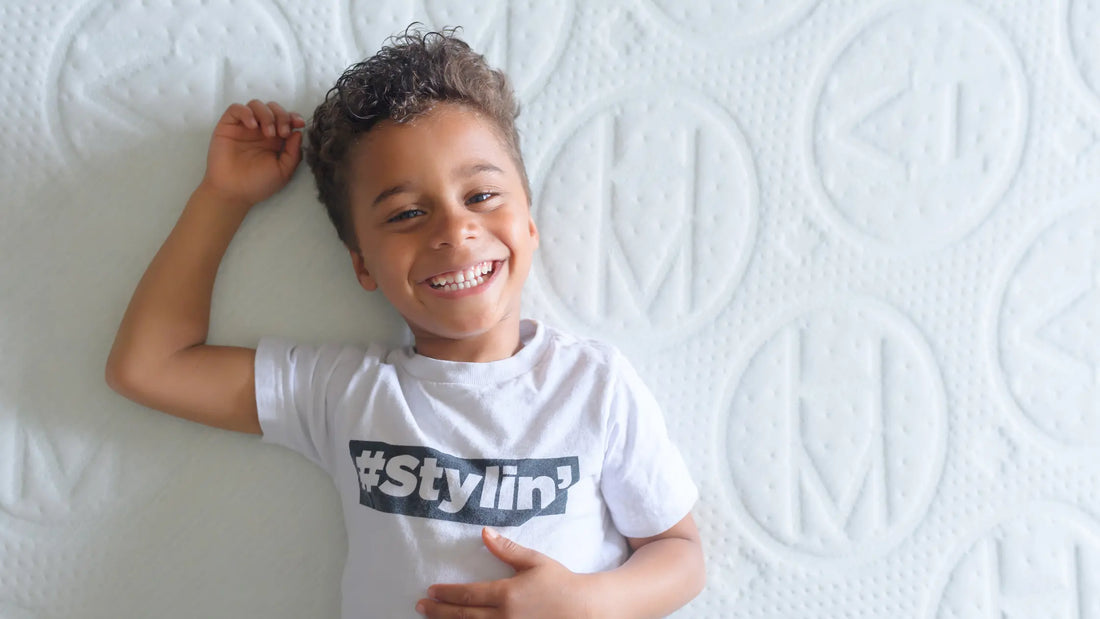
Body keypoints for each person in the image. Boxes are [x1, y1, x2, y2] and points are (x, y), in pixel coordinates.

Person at [106, 27, 704, 618]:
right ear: (363, 265)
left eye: (481, 196)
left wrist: (586, 603)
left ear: (527, 223)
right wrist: (223, 196)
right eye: (408, 213)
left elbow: (679, 552)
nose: (453, 230)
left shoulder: (593, 385)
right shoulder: (345, 393)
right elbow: (149, 366)